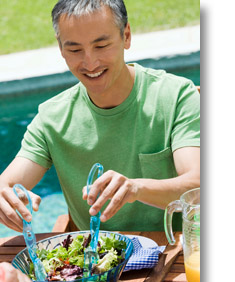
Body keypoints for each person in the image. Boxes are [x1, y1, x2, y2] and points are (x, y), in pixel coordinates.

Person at [0, 0, 200, 234]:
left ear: (126, 36)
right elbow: (8, 184)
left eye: (101, 45)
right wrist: (6, 197)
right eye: (74, 50)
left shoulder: (176, 96)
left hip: (177, 253)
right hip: (95, 264)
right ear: (60, 47)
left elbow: (198, 187)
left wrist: (136, 189)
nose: (90, 62)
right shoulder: (51, 119)